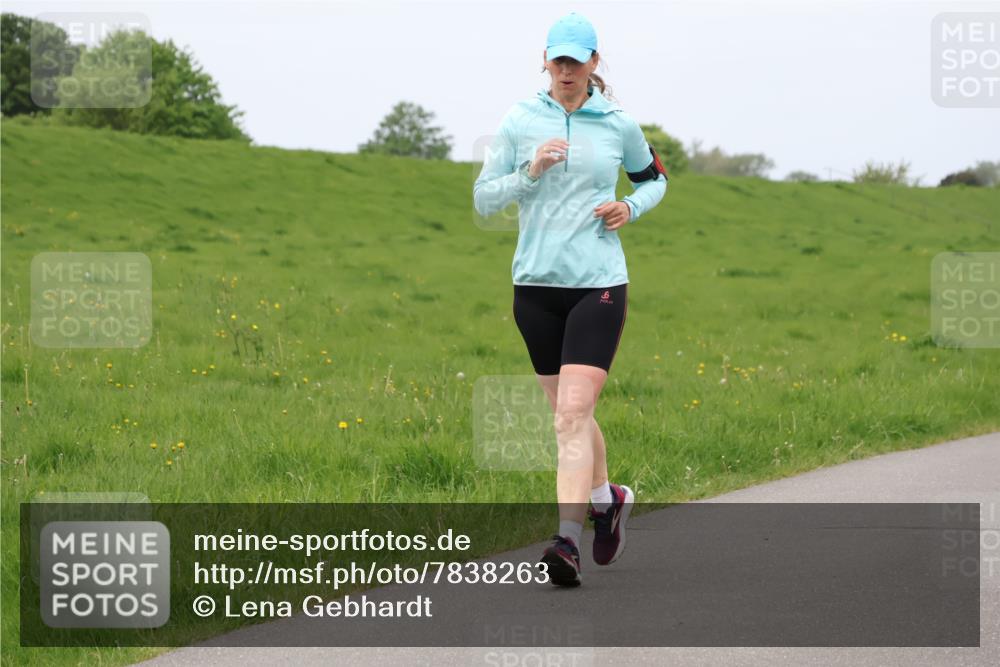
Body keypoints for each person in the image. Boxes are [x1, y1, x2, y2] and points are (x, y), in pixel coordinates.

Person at [473, 12, 667, 587]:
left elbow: (655, 179)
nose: (565, 70)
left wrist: (630, 207)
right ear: (545, 61)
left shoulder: (618, 124)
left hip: (598, 285)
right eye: (557, 59)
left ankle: (566, 541)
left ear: (593, 64)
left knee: (572, 416)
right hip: (535, 288)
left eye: (575, 60)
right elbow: (484, 200)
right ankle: (608, 499)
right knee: (569, 417)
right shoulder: (519, 119)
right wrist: (529, 172)